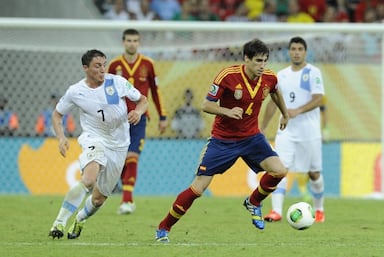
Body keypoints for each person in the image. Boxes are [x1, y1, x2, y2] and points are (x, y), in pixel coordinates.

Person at [155, 38, 289, 243]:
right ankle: (164, 227)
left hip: (252, 137)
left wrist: (285, 114)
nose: (262, 66)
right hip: (223, 140)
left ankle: (253, 202)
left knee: (279, 170)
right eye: (258, 61)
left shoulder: (269, 77)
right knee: (198, 188)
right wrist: (227, 111)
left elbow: (276, 91)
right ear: (246, 59)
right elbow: (206, 105)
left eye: (264, 61)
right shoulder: (228, 76)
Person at [48, 49, 148, 239]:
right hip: (94, 139)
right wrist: (61, 138)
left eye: (104, 65)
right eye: (97, 66)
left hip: (119, 146)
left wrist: (139, 112)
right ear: (85, 68)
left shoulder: (117, 82)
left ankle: (80, 219)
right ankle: (59, 223)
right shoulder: (76, 91)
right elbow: (57, 114)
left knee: (99, 198)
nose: (103, 70)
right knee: (89, 179)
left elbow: (143, 100)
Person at [261, 36, 325, 223]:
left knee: (314, 173)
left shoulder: (313, 72)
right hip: (286, 130)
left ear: (305, 52)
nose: (296, 52)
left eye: (300, 49)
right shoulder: (280, 75)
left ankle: (319, 209)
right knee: (279, 169)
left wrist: (297, 110)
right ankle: (276, 211)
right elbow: (273, 103)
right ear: (289, 51)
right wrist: (262, 128)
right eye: (293, 49)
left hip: (309, 131)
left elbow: (318, 98)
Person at [107, 28, 167, 215]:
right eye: (129, 40)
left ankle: (127, 201)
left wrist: (162, 116)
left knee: (132, 157)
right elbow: (108, 94)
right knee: (122, 161)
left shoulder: (148, 64)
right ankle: (125, 195)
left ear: (138, 43)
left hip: (139, 119)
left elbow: (155, 92)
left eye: (135, 40)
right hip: (118, 120)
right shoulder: (114, 65)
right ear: (123, 42)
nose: (132, 43)